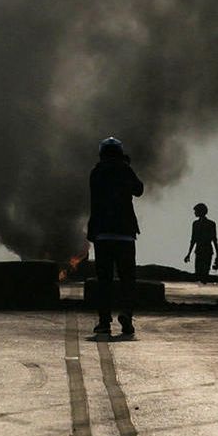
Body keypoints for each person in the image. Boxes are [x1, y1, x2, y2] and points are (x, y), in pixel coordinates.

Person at [87, 136, 144, 337]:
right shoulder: (124, 170)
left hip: (103, 234)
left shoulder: (96, 172)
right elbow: (139, 190)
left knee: (104, 281)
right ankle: (127, 315)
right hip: (125, 234)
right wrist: (127, 167)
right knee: (127, 279)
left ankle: (104, 322)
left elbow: (94, 202)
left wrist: (92, 230)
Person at [183, 202, 218, 284]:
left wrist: (189, 253)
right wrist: (188, 254)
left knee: (201, 274)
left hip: (203, 250)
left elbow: (193, 240)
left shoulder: (198, 224)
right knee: (201, 273)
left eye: (196, 211)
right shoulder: (209, 224)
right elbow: (214, 240)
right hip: (204, 250)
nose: (194, 213)